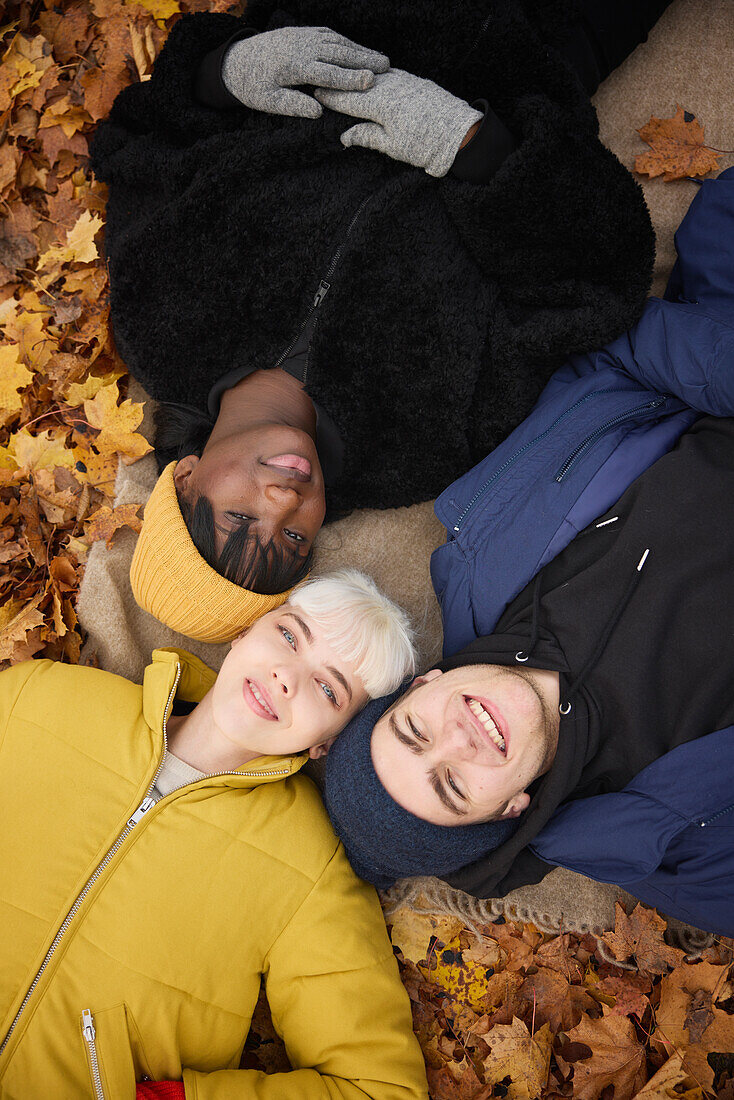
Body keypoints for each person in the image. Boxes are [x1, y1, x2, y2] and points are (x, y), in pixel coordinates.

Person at [91, 1, 669, 636]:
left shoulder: (157, 318)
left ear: (185, 475)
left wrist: (224, 73)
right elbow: (591, 279)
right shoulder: (423, 447)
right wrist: (476, 149)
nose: (283, 505)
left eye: (237, 519)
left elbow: (136, 142)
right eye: (289, 541)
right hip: (536, 52)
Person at [323, 168, 734, 938]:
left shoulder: (483, 542)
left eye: (416, 729)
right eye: (451, 786)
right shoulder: (682, 851)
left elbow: (603, 352)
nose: (459, 737)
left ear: (424, 683)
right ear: (508, 811)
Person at [0, 571, 429, 1099]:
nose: (286, 677)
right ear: (243, 632)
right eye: (290, 637)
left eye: (327, 687)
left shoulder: (314, 868)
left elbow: (380, 1089)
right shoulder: (42, 694)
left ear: (330, 743)